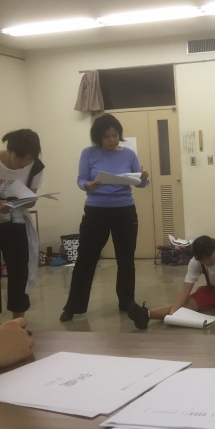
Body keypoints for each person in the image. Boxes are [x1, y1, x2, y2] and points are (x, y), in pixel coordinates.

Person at [60, 114, 148, 322]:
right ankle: (74, 306)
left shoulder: (128, 154)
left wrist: (144, 179)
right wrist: (87, 185)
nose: (112, 139)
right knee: (86, 258)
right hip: (96, 211)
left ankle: (127, 302)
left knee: (126, 259)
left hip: (124, 210)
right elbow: (81, 179)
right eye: (107, 136)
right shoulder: (88, 153)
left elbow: (140, 183)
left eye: (115, 135)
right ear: (98, 137)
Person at [127, 235, 215, 331]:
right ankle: (145, 315)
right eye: (202, 260)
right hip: (212, 291)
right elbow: (186, 289)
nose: (206, 262)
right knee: (186, 304)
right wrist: (175, 312)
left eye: (208, 257)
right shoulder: (195, 262)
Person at [0, 129, 44, 318]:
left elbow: (31, 201)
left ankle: (18, 322)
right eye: (19, 158)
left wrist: (18, 202)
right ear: (9, 149)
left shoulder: (36, 167)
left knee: (19, 270)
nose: (22, 164)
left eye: (28, 159)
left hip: (16, 221)